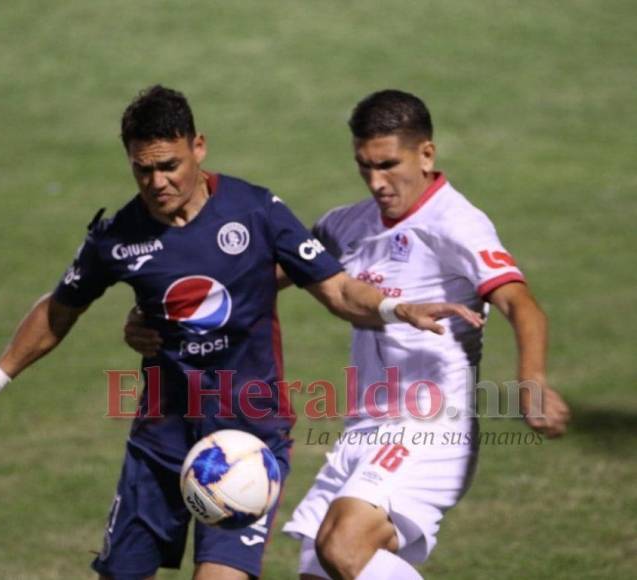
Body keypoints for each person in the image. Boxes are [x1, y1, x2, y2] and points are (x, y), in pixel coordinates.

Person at [0, 86, 481, 580]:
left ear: (198, 146)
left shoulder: (257, 210)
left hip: (244, 443)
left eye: (168, 165)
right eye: (142, 170)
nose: (157, 182)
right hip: (159, 444)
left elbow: (337, 289)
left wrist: (394, 308)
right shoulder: (118, 236)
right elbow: (59, 310)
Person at [124, 89, 571, 579]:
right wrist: (157, 315)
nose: (377, 182)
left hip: (432, 426)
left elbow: (521, 303)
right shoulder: (345, 225)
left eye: (388, 165)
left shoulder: (456, 224)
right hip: (365, 429)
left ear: (426, 153)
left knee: (344, 544)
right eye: (365, 167)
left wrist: (533, 381)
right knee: (322, 568)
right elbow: (244, 281)